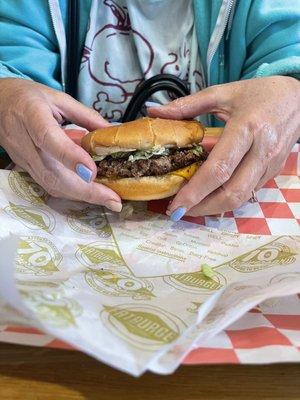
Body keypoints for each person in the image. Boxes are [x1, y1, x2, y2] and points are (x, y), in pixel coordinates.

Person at [0, 0, 299, 220]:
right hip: (66, 224)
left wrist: (290, 89)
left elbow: (289, 52)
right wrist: (6, 94)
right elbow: (11, 57)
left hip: (232, 219)